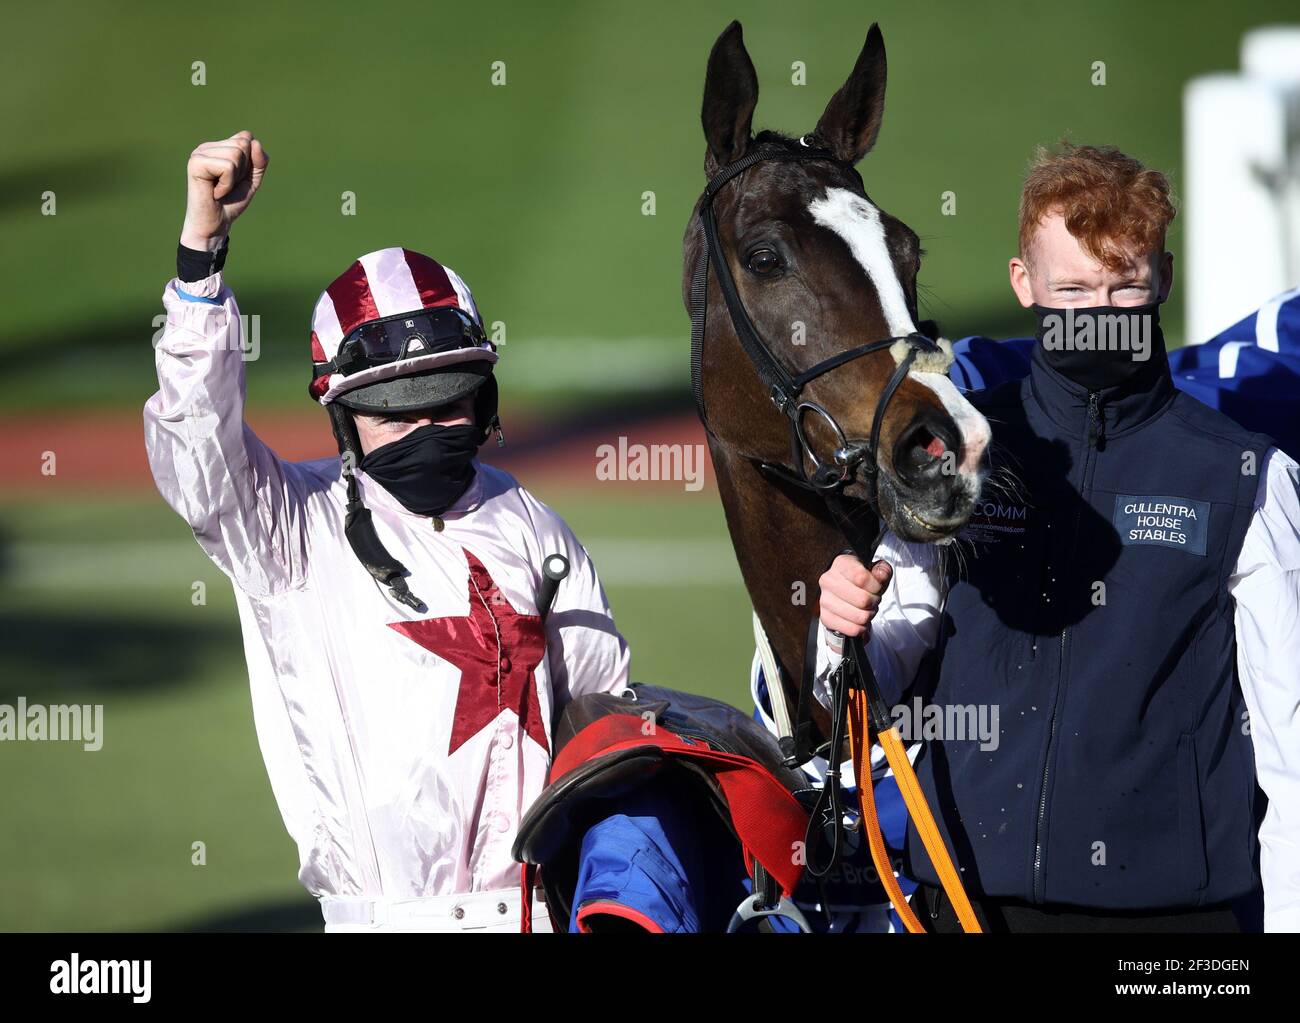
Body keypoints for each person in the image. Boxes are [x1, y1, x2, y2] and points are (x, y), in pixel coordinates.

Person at [145, 131, 630, 932]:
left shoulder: (539, 530)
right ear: (342, 419)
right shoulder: (290, 530)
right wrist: (203, 252)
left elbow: (603, 728)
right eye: (394, 412)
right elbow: (196, 449)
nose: (426, 426)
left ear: (485, 398)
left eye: (447, 400)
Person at [817, 142, 1300, 932]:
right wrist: (841, 628)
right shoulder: (966, 452)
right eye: (1072, 288)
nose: (1100, 317)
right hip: (965, 906)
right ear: (1024, 284)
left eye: (1124, 288)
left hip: (1174, 931)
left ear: (1163, 281)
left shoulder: (1247, 476)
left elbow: (1294, 748)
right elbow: (874, 679)